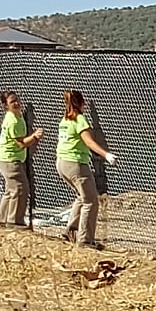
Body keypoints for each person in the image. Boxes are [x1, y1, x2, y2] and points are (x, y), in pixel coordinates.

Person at [57, 90, 118, 248]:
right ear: (81, 103)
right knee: (91, 201)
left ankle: (70, 231)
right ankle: (85, 240)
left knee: (81, 197)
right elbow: (89, 142)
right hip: (76, 165)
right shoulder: (79, 120)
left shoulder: (64, 120)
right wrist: (107, 155)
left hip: (62, 163)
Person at [0, 92, 42, 228]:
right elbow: (21, 143)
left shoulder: (18, 115)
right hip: (10, 160)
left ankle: (2, 218)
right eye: (12, 102)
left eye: (17, 100)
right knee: (20, 188)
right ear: (5, 106)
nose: (16, 103)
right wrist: (35, 137)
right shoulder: (12, 121)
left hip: (9, 159)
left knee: (11, 189)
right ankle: (15, 221)